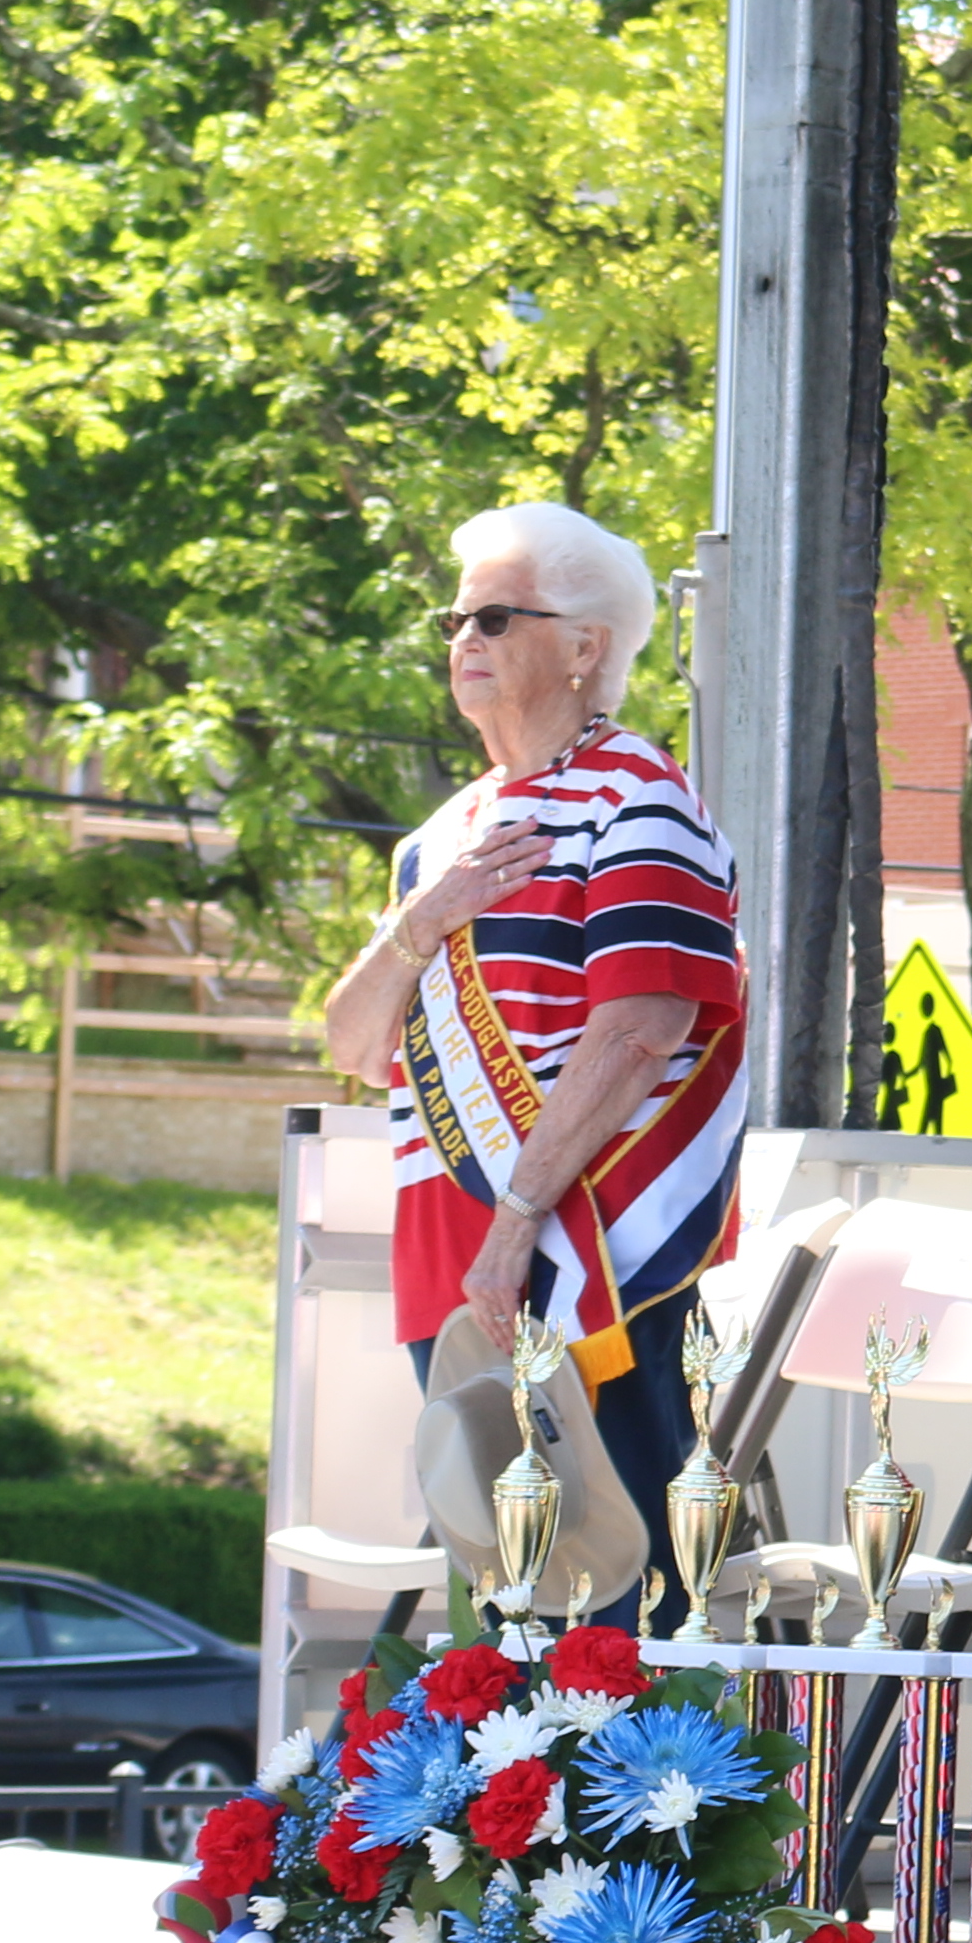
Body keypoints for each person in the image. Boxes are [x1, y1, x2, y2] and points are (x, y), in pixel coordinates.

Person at [321, 504, 746, 1623]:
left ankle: (639, 1805)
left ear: (585, 646)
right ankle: (506, 1802)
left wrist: (517, 1221)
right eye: (457, 617)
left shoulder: (640, 796)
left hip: (582, 1248)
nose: (465, 638)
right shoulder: (440, 837)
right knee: (506, 1600)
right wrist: (426, 920)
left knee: (620, 1594)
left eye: (498, 617)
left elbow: (638, 1029)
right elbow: (358, 1046)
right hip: (449, 1245)